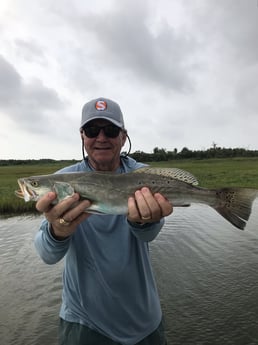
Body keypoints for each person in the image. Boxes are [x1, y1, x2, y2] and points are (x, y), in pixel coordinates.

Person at [35, 97, 173, 345]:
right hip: (83, 323)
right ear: (82, 136)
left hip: (144, 322)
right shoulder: (61, 181)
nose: (101, 138)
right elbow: (46, 254)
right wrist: (58, 230)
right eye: (92, 130)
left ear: (123, 136)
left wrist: (145, 221)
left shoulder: (146, 176)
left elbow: (149, 235)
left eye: (110, 130)